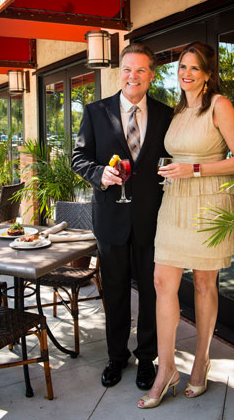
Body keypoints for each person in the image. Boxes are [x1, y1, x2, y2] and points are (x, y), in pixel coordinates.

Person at [138, 41, 234, 409]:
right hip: (174, 203)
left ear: (207, 75)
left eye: (194, 68)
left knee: (204, 283)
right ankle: (167, 369)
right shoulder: (178, 110)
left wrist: (195, 168)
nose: (185, 74)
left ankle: (201, 361)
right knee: (161, 282)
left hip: (208, 203)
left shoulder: (218, 105)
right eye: (182, 67)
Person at [72, 43, 173, 390]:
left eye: (141, 70)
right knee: (114, 291)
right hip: (110, 219)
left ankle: (148, 359)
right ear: (120, 72)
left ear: (151, 75)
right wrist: (99, 173)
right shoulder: (95, 111)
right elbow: (78, 158)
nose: (133, 76)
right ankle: (117, 357)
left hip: (152, 218)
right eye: (128, 69)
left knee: (150, 292)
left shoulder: (164, 114)